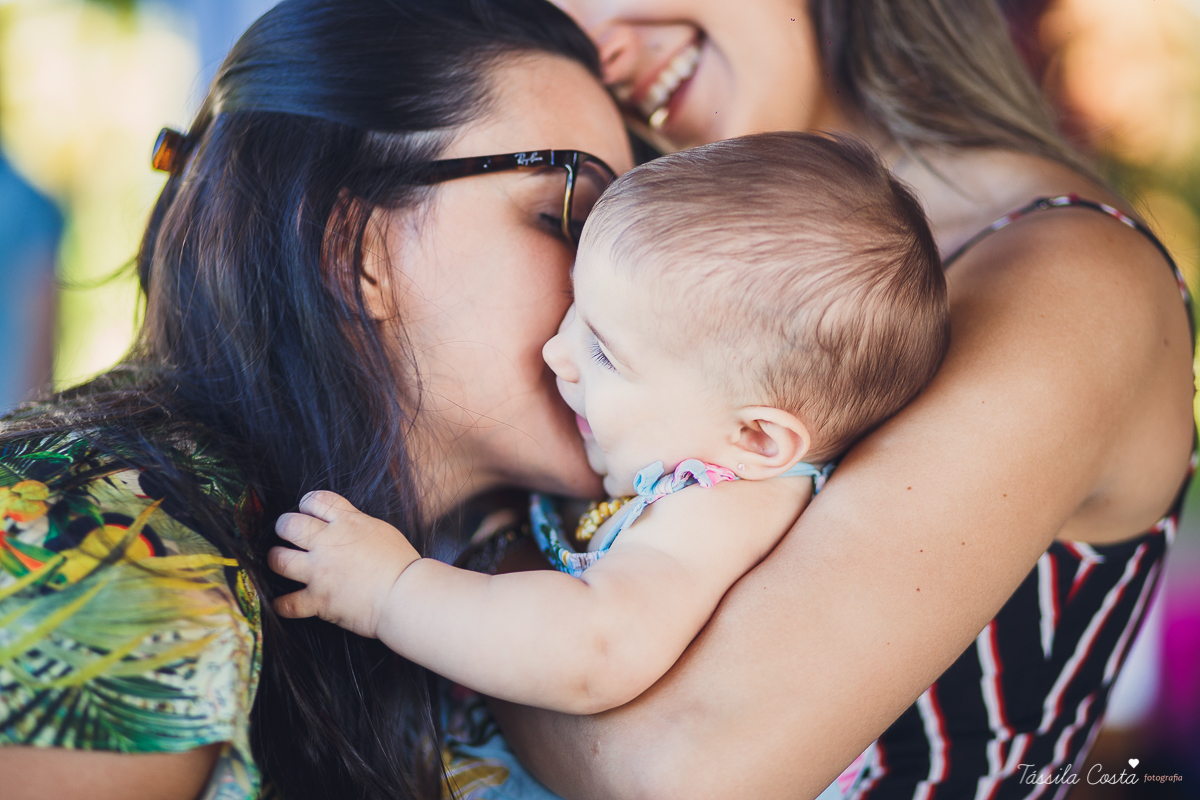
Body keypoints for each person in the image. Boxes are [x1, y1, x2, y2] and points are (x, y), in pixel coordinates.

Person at [485, 1, 1197, 798]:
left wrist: (454, 547)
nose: (594, 44)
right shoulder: (648, 276)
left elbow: (681, 769)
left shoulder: (1077, 281)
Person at [0, 1, 632, 799]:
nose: (635, 285)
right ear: (352, 250)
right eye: (571, 216)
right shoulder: (97, 548)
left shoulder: (483, 574)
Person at [266, 133, 949, 718]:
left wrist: (393, 593)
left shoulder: (723, 508)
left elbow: (595, 649)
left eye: (605, 353)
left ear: (757, 439)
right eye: (575, 308)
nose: (557, 352)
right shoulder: (703, 463)